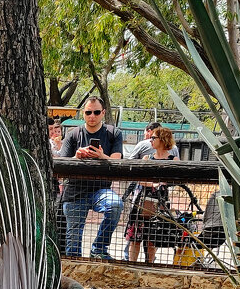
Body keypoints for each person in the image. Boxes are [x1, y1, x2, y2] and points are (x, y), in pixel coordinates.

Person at [59, 97, 124, 260]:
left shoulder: (113, 133)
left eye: (96, 112)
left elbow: (118, 160)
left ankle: (99, 247)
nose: (92, 116)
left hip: (100, 190)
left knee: (115, 205)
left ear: (103, 113)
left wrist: (102, 156)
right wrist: (76, 156)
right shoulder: (73, 134)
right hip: (75, 192)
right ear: (83, 114)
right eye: (88, 112)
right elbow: (60, 164)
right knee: (73, 245)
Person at [124, 127, 178, 264]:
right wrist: (153, 184)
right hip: (142, 200)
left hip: (161, 201)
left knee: (152, 239)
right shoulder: (147, 158)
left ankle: (150, 265)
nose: (151, 140)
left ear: (163, 139)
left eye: (154, 138)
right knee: (135, 238)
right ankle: (132, 264)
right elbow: (139, 179)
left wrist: (159, 184)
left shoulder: (173, 159)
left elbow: (176, 180)